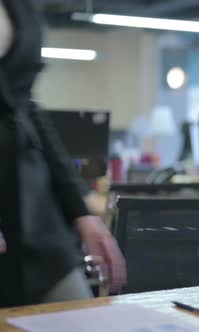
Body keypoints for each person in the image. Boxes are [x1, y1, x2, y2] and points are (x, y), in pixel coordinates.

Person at [0, 0, 126, 307]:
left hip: (38, 219)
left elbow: (25, 105)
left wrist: (79, 208)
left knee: (84, 320)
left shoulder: (22, 7)